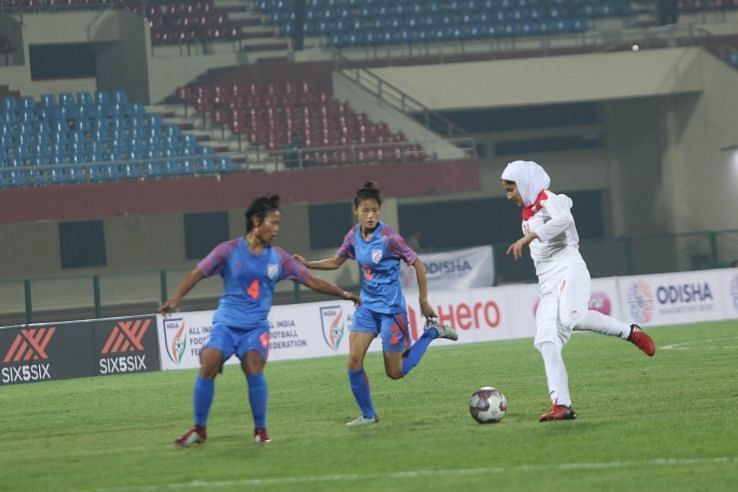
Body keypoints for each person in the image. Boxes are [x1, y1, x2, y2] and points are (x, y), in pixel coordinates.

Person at [161, 194, 360, 447]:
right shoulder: (228, 251)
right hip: (226, 323)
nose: (277, 229)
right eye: (273, 223)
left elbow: (311, 280)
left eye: (279, 224)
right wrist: (176, 298)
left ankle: (260, 430)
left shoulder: (279, 258)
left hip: (255, 328)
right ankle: (199, 429)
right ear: (257, 221)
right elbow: (197, 273)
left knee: (254, 365)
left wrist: (343, 293)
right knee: (209, 362)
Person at [501, 160, 655, 422]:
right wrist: (531, 236)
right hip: (547, 284)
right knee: (546, 342)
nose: (509, 195)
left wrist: (529, 237)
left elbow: (564, 220)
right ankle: (561, 405)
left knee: (573, 318)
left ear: (524, 183)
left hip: (569, 268)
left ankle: (630, 332)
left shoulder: (547, 198)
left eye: (510, 188)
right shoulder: (528, 210)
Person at [294, 181, 458, 426]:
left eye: (374, 210)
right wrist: (307, 263)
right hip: (367, 308)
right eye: (365, 210)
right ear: (355, 211)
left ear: (379, 211)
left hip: (392, 311)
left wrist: (423, 300)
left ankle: (432, 333)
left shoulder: (390, 238)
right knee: (353, 360)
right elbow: (337, 262)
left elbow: (418, 265)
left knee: (395, 373)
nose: (370, 215)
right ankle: (368, 415)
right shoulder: (353, 236)